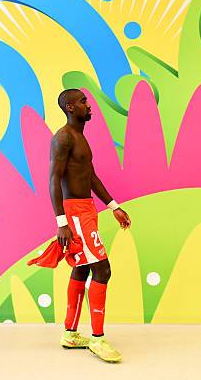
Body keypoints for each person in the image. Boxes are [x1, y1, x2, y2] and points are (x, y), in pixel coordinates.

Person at [49, 88, 131, 363]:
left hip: (87, 209)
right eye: (84, 102)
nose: (89, 105)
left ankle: (70, 334)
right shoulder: (63, 137)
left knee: (82, 267)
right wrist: (62, 223)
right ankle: (97, 339)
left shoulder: (80, 138)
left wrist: (113, 206)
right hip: (75, 213)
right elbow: (53, 179)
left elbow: (91, 176)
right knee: (102, 269)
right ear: (71, 107)